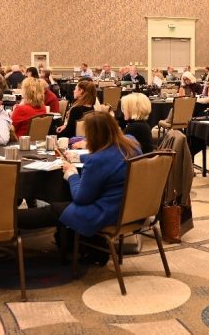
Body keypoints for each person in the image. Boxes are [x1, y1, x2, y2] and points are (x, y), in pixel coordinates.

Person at [17, 111, 142, 262]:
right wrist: (78, 156)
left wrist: (72, 174)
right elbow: (111, 155)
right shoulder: (131, 142)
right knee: (60, 205)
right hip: (129, 208)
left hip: (105, 212)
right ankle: (75, 243)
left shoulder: (98, 161)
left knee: (53, 210)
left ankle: (8, 219)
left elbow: (81, 198)